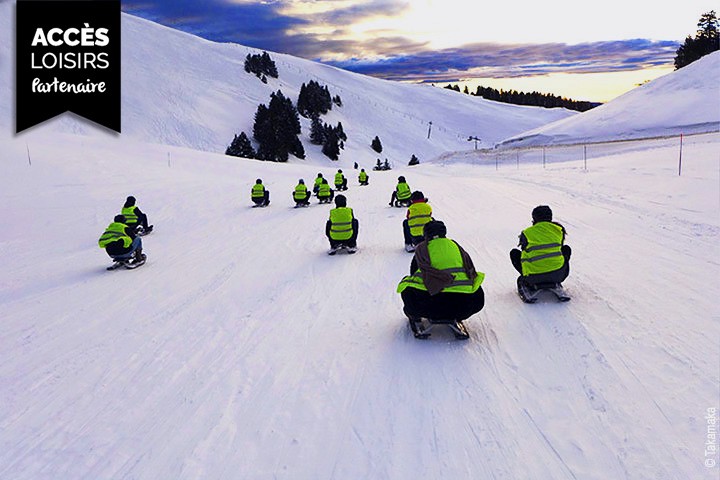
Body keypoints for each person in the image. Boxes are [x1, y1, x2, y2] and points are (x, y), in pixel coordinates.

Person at [397, 220, 485, 321]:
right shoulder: (455, 245)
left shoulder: (422, 248)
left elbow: (413, 273)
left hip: (431, 307)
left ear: (425, 234)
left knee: (406, 284)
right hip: (465, 306)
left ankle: (415, 316)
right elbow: (470, 270)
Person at [510, 205, 571, 288]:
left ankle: (527, 279)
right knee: (566, 249)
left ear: (534, 218)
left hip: (533, 277)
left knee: (514, 253)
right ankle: (553, 274)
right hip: (558, 275)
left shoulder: (527, 233)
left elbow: (524, 251)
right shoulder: (559, 230)